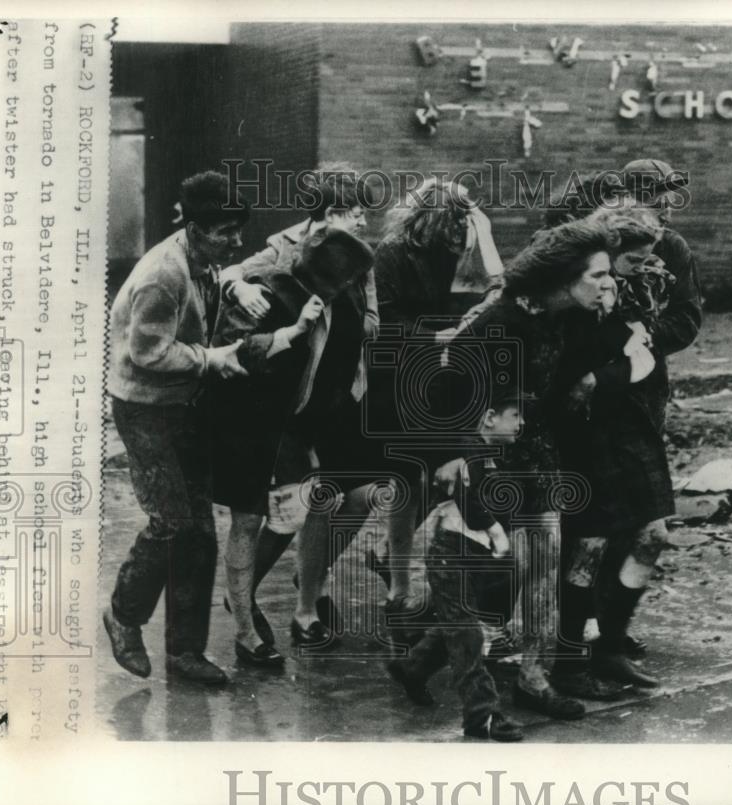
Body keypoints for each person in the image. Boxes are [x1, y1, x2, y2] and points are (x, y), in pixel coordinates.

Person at [436, 219, 621, 719]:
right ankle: (424, 662)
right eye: (598, 275)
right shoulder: (500, 321)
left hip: (538, 458)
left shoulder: (572, 317)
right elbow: (448, 386)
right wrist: (457, 452)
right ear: (563, 276)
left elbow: (583, 372)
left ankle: (534, 679)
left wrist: (606, 320)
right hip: (489, 460)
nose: (609, 283)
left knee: (541, 568)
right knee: (491, 574)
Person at [214, 165, 378, 645]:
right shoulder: (284, 247)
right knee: (294, 506)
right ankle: (243, 595)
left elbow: (372, 320)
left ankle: (308, 591)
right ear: (330, 215)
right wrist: (243, 289)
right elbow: (231, 273)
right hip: (291, 396)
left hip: (341, 392)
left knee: (357, 495)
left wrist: (350, 315)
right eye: (356, 212)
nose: (365, 221)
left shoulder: (361, 258)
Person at [103, 171, 249, 685]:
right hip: (144, 408)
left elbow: (214, 294)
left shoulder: (200, 258)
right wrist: (212, 359)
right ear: (194, 227)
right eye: (225, 231)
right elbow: (147, 353)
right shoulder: (163, 275)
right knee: (172, 523)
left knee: (202, 533)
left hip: (184, 405)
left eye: (238, 229)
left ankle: (185, 654)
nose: (236, 241)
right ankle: (123, 616)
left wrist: (235, 286)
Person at [369, 179, 504, 624]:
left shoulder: (461, 247)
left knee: (452, 469)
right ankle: (401, 586)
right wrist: (433, 336)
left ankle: (414, 566)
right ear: (428, 222)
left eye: (462, 228)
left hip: (449, 375)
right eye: (451, 226)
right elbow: (384, 320)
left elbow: (489, 287)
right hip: (402, 375)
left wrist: (479, 236)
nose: (456, 237)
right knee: (406, 479)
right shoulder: (391, 252)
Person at [551, 217, 670, 696]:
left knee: (653, 535)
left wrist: (609, 375)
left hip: (629, 427)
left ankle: (612, 647)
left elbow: (648, 356)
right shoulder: (574, 296)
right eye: (631, 260)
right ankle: (569, 664)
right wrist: (610, 366)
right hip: (584, 438)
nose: (639, 270)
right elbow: (567, 371)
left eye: (645, 260)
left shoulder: (637, 292)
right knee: (587, 549)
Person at [385, 387, 529, 742]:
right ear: (490, 418)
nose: (522, 424)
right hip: (452, 554)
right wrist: (498, 533)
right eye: (515, 415)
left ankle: (411, 667)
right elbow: (472, 503)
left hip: (475, 558)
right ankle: (483, 715)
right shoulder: (469, 451)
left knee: (457, 626)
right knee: (468, 634)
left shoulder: (497, 455)